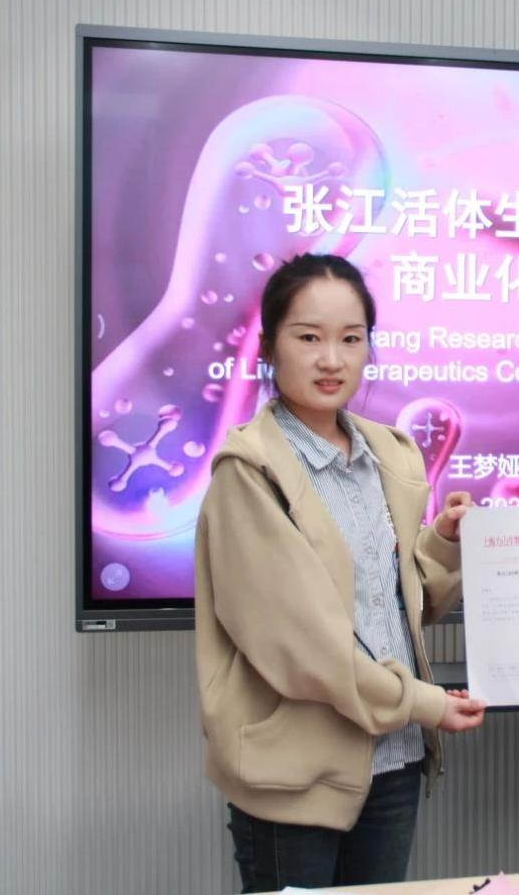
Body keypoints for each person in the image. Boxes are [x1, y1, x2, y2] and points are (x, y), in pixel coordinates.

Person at [194, 253, 486, 891]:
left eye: (351, 339)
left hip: (394, 763)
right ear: (269, 346)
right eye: (309, 338)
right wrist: (425, 702)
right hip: (293, 777)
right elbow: (304, 648)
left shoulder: (388, 454)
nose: (332, 359)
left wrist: (445, 542)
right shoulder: (250, 474)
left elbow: (399, 605)